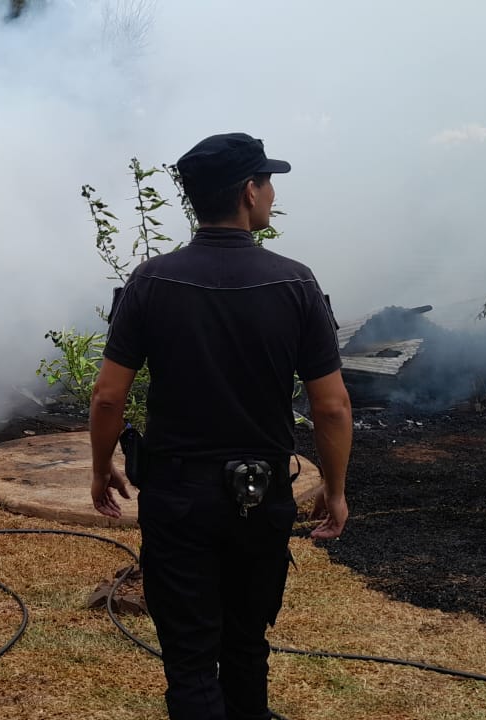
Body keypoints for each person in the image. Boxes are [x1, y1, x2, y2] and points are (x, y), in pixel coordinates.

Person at [88, 133, 352, 720]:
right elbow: (331, 406)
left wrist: (101, 465)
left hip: (177, 497)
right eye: (268, 181)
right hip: (261, 496)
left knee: (188, 658)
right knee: (246, 640)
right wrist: (334, 490)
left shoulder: (151, 281)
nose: (272, 193)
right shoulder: (295, 282)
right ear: (249, 191)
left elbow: (109, 396)